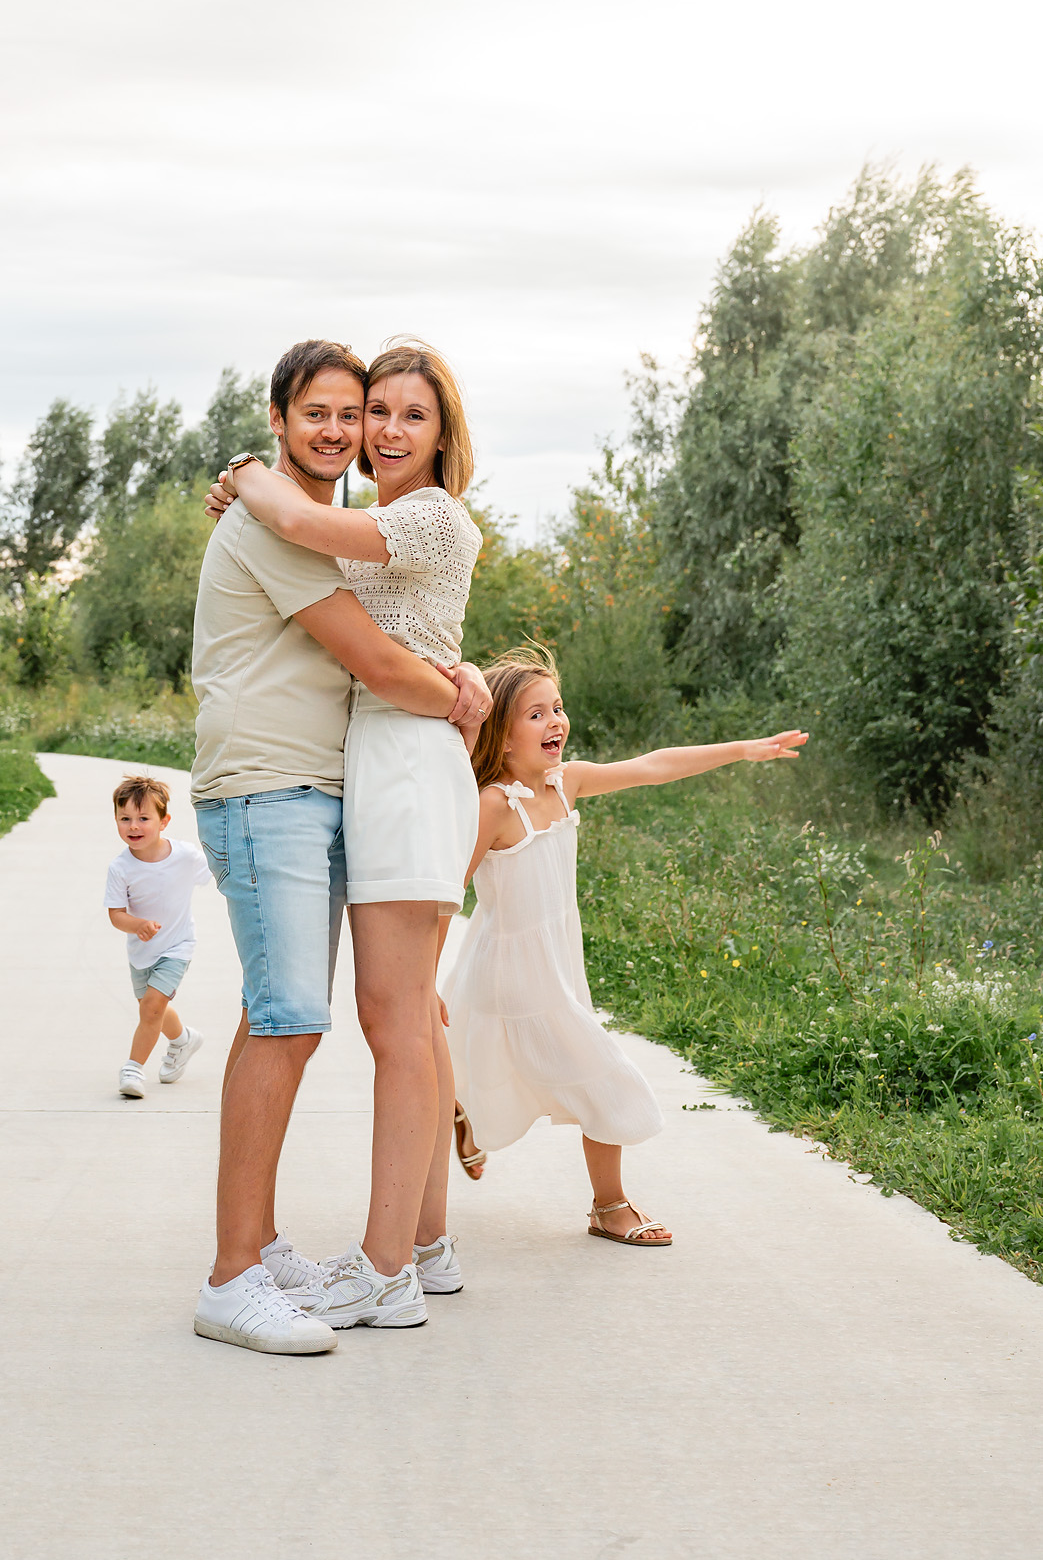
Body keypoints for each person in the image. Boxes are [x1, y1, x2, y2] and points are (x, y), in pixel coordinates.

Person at [190, 339, 491, 1356]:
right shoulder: (290, 519)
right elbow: (379, 655)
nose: (353, 429)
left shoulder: (356, 523)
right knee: (297, 1018)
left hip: (350, 781)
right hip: (279, 783)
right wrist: (459, 687)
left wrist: (459, 682)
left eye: (364, 412)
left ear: (439, 431)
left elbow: (401, 636)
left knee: (371, 1016)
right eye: (327, 411)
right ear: (278, 419)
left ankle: (367, 1256)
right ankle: (242, 1270)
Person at [445, 646, 807, 1244]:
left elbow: (654, 765)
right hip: (512, 970)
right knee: (601, 1077)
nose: (555, 722)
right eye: (535, 715)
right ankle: (609, 1206)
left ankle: (467, 1117)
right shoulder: (493, 805)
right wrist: (422, 975)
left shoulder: (567, 785)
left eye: (557, 708)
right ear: (501, 737)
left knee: (507, 1064)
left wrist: (743, 750)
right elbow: (446, 891)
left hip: (558, 962)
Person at [105, 775, 208, 1100]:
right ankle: (183, 1040)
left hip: (178, 945)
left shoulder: (186, 856)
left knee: (151, 1008)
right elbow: (116, 914)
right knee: (154, 1011)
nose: (133, 826)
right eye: (125, 819)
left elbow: (218, 875)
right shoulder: (120, 868)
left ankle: (133, 1068)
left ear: (164, 821)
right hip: (142, 951)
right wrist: (136, 925)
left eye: (143, 818)